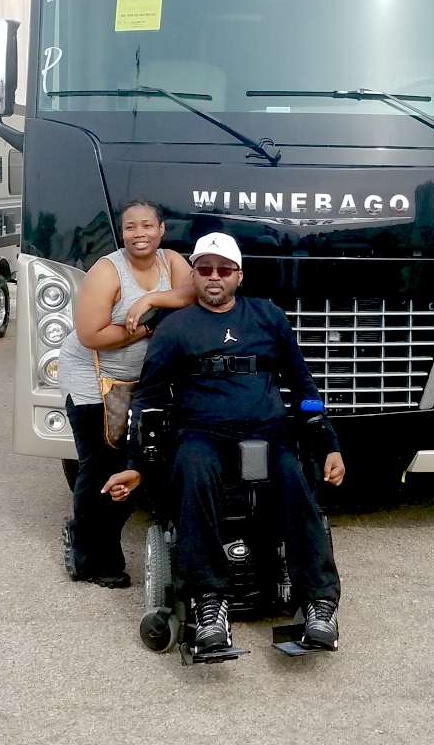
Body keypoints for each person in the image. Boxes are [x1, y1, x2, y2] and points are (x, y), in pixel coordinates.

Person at [103, 231, 345, 652]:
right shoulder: (175, 328)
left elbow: (303, 386)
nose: (214, 277)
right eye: (205, 268)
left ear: (239, 276)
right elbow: (149, 401)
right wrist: (136, 464)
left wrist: (329, 445)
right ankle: (209, 603)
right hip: (203, 434)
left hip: (269, 433)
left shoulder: (268, 317)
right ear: (194, 274)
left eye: (223, 269)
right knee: (193, 469)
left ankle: (319, 603)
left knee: (295, 477)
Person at [58, 200, 196, 588]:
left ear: (162, 229)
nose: (140, 234)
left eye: (147, 226)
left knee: (137, 462)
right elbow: (92, 335)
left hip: (141, 381)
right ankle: (91, 555)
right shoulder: (107, 270)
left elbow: (192, 293)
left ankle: (91, 534)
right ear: (123, 233)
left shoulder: (172, 262)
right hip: (91, 375)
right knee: (101, 462)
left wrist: (149, 300)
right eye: (131, 227)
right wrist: (147, 330)